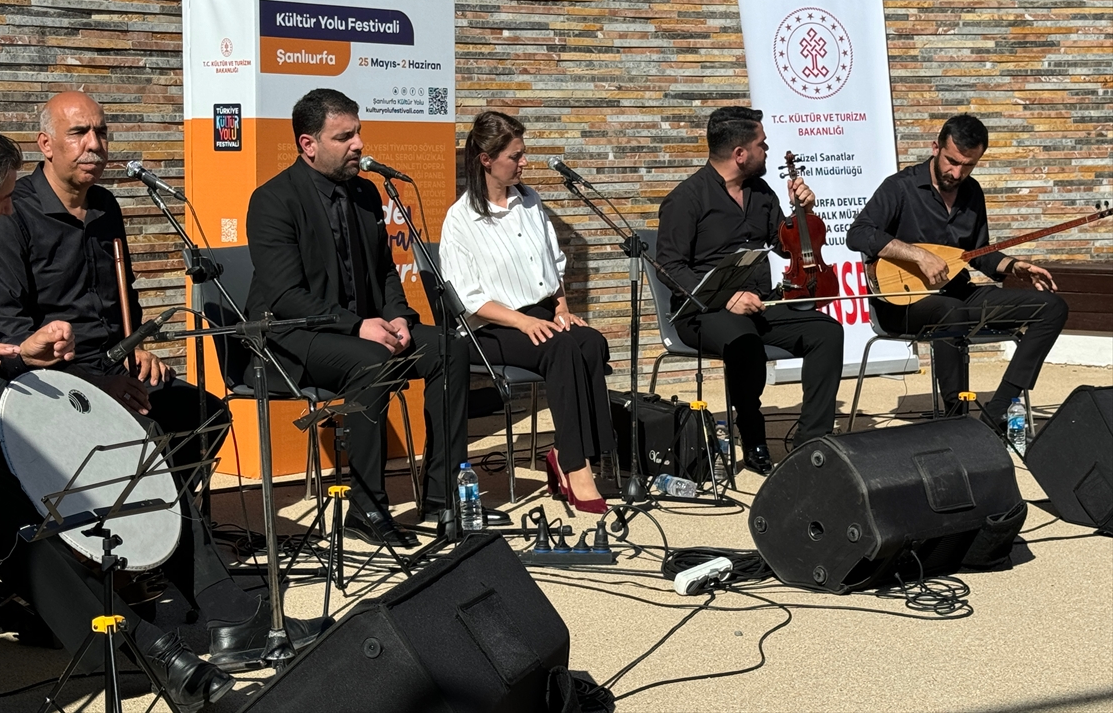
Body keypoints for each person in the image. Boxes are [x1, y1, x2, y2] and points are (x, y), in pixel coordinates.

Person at [0, 91, 324, 673]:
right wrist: (98, 384)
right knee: (146, 451)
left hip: (111, 378)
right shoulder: (14, 215)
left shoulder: (107, 206)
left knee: (204, 414)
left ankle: (153, 566)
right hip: (47, 391)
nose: (95, 145)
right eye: (80, 133)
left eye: (102, 133)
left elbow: (125, 305)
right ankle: (217, 607)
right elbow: (8, 333)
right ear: (46, 145)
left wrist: (141, 355)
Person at [0, 124, 232, 710]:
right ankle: (136, 646)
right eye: (5, 199)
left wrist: (20, 353)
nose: (13, 208)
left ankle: (139, 601)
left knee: (70, 451)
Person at [245, 88, 500, 547]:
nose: (359, 144)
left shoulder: (365, 192)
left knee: (449, 347)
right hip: (291, 337)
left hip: (362, 327)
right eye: (345, 136)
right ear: (308, 144)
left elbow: (384, 270)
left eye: (358, 131)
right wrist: (356, 325)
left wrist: (399, 316)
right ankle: (367, 508)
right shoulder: (273, 200)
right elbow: (284, 297)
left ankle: (445, 502)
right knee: (371, 360)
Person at [439, 112, 614, 513]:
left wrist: (563, 310)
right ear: (486, 159)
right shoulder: (461, 218)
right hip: (489, 326)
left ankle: (589, 454)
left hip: (538, 314)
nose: (523, 163)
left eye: (523, 154)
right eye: (515, 156)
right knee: (561, 349)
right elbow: (468, 297)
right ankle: (575, 466)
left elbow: (553, 265)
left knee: (589, 341)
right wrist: (525, 321)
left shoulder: (529, 200)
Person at [655, 106, 844, 473]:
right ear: (740, 154)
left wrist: (802, 212)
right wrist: (725, 297)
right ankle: (753, 435)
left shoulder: (760, 192)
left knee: (827, 332)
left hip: (760, 304)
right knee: (744, 342)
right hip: (703, 312)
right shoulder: (686, 199)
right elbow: (669, 267)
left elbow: (783, 243)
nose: (767, 151)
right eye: (762, 145)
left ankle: (810, 440)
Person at [846, 114, 1068, 425]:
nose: (957, 172)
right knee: (950, 312)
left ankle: (999, 409)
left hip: (959, 294)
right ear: (935, 148)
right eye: (952, 161)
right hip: (902, 303)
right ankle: (956, 420)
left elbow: (978, 255)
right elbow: (857, 234)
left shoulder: (972, 192)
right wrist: (917, 255)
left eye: (968, 165)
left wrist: (1015, 266)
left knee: (1052, 308)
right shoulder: (900, 188)